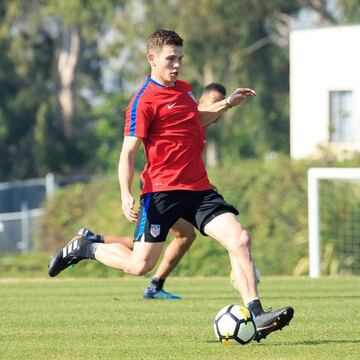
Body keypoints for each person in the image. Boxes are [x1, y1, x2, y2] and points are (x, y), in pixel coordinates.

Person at [48, 29, 294, 342]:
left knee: (240, 239)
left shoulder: (186, 90)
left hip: (199, 190)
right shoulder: (142, 102)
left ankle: (257, 314)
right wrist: (125, 194)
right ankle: (86, 248)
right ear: (152, 59)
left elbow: (195, 118)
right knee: (140, 265)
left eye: (180, 58)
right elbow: (128, 153)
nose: (177, 65)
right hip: (161, 193)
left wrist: (228, 103)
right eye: (170, 59)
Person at [69, 84, 227, 300]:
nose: (218, 105)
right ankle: (93, 247)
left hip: (181, 189)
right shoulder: (187, 115)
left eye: (221, 101)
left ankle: (94, 240)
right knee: (153, 249)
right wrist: (125, 192)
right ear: (201, 100)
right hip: (163, 189)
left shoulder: (201, 126)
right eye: (214, 100)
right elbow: (138, 152)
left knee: (167, 240)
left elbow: (186, 160)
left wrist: (203, 184)